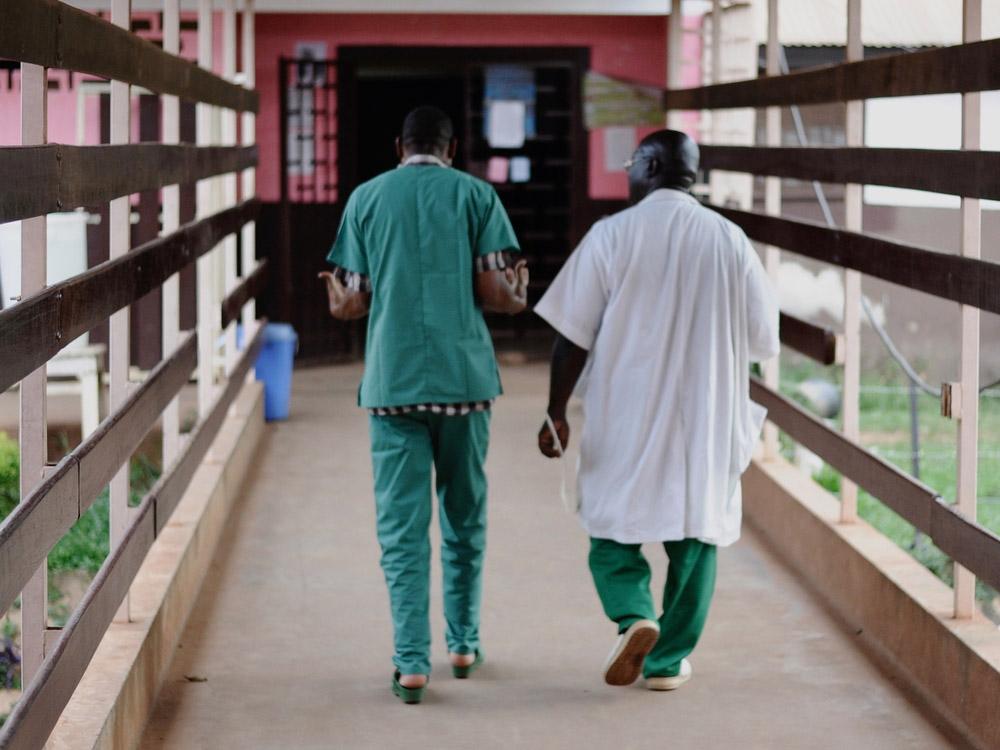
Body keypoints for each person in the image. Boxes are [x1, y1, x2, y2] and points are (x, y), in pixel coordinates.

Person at [534, 129, 779, 692]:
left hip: (627, 410)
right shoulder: (730, 240)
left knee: (610, 525)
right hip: (707, 416)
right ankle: (667, 662)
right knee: (696, 534)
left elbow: (571, 336)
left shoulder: (611, 236)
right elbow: (764, 338)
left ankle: (632, 614)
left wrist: (556, 412)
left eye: (629, 164)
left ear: (647, 166)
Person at [320, 106, 529, 704]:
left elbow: (352, 299)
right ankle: (462, 644)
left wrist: (345, 301)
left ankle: (412, 663)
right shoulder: (477, 196)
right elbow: (497, 289)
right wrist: (515, 296)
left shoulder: (366, 199)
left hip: (394, 384)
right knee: (465, 517)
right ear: (452, 148)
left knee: (402, 529)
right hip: (465, 382)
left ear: (398, 147)